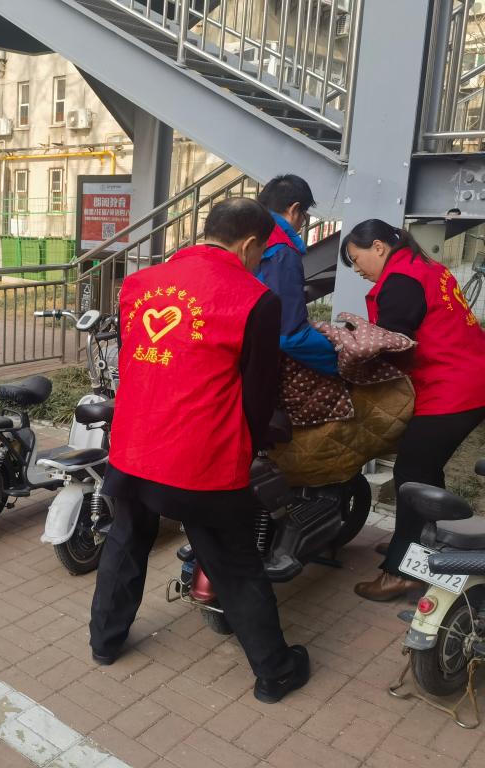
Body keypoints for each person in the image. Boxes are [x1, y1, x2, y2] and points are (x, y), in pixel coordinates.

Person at [89, 197, 309, 704]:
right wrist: (251, 445)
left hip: (135, 443)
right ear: (249, 244)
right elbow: (257, 397)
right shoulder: (255, 300)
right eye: (261, 254)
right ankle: (275, 673)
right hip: (201, 457)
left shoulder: (138, 285)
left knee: (126, 542)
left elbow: (141, 360)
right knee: (234, 564)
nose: (259, 263)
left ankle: (104, 643)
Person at [342, 220, 485, 600]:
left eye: (356, 259)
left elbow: (390, 341)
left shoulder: (402, 280)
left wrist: (347, 357)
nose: (357, 269)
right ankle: (417, 544)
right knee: (424, 470)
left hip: (452, 386)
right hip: (467, 376)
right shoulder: (425, 267)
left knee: (412, 474)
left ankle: (401, 573)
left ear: (378, 247)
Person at [256, 174, 337, 375]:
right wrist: (340, 363)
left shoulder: (249, 235)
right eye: (304, 214)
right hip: (257, 362)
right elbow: (289, 334)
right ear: (294, 209)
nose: (303, 221)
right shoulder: (281, 252)